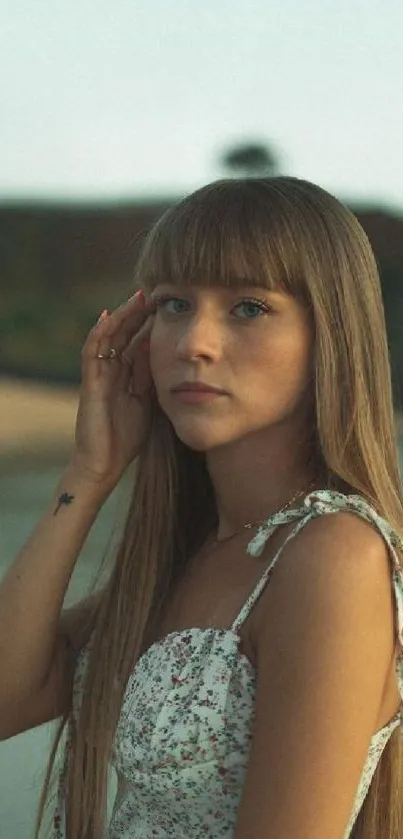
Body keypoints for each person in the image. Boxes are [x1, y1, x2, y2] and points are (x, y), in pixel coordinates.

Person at [1, 177, 403, 839]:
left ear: (327, 335)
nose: (194, 342)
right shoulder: (184, 555)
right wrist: (88, 473)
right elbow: (9, 697)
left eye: (247, 307)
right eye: (173, 304)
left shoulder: (332, 554)